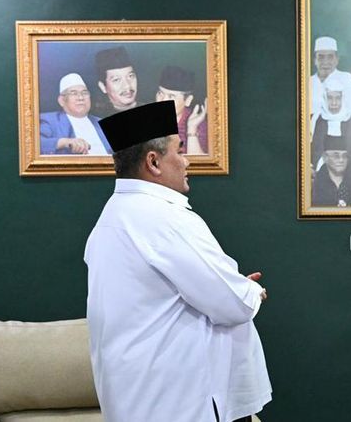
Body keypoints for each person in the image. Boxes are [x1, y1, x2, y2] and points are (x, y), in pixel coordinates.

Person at [85, 101, 271, 422]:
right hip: (180, 401)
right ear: (153, 162)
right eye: (179, 150)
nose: (187, 162)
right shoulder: (164, 217)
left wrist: (231, 286)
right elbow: (230, 304)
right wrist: (249, 292)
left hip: (141, 398)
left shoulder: (113, 215)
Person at [310, 78, 351, 179]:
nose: (334, 102)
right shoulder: (316, 121)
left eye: (337, 98)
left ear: (343, 98)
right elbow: (311, 150)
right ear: (325, 98)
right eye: (330, 98)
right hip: (320, 175)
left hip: (350, 176)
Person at [39, 73, 111, 155]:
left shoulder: (102, 123)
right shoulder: (49, 120)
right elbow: (34, 143)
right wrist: (65, 142)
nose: (81, 98)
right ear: (62, 100)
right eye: (74, 93)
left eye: (84, 93)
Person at [309, 36, 351, 124]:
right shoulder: (308, 83)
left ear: (337, 60)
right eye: (321, 57)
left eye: (330, 57)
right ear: (314, 60)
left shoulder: (347, 78)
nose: (325, 62)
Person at [155, 65, 208, 155]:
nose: (163, 100)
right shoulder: (148, 119)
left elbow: (200, 166)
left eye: (171, 96)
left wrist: (192, 128)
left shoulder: (199, 125)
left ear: (188, 100)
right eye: (160, 93)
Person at [311, 134, 351, 207]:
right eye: (336, 155)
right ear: (325, 157)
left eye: (344, 156)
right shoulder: (314, 185)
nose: (341, 160)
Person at [92, 46, 143, 117]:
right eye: (116, 80)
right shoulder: (96, 120)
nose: (127, 85)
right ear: (103, 87)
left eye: (130, 76)